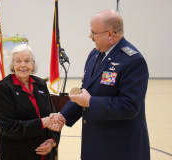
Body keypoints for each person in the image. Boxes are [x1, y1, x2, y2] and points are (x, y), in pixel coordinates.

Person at [50, 9, 150, 160]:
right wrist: (63, 116)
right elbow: (85, 91)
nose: (90, 36)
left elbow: (129, 106)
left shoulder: (133, 61)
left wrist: (91, 102)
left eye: (94, 33)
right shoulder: (95, 54)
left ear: (110, 34)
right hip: (95, 144)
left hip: (120, 148)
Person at [0, 44, 60, 160]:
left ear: (33, 64)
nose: (22, 65)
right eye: (18, 61)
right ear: (12, 65)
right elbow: (7, 127)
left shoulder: (40, 83)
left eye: (27, 61)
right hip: (17, 154)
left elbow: (52, 116)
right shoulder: (4, 88)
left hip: (45, 155)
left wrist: (52, 140)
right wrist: (42, 123)